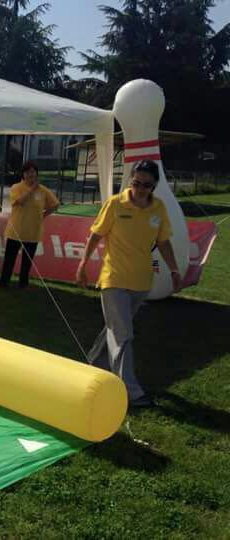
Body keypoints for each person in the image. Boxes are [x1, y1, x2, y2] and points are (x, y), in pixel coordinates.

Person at [76, 159, 182, 408]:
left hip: (141, 281)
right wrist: (82, 264)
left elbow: (164, 242)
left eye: (146, 185)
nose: (140, 188)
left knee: (115, 329)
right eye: (136, 183)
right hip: (114, 279)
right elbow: (96, 235)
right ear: (130, 181)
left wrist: (175, 269)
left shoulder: (158, 208)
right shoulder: (114, 204)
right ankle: (130, 391)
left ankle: (91, 367)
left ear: (154, 186)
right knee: (123, 334)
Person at [0, 161, 60, 288]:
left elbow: (55, 205)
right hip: (16, 231)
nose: (30, 174)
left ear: (37, 173)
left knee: (27, 261)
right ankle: (3, 283)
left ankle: (23, 284)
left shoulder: (43, 190)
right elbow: (19, 202)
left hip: (33, 232)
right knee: (9, 259)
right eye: (27, 172)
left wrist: (43, 215)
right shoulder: (16, 187)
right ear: (23, 174)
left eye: (33, 171)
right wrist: (32, 189)